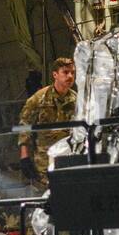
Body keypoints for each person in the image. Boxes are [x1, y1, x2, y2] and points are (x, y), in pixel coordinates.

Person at [16, 57, 76, 191]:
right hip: (43, 162)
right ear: (55, 74)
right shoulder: (39, 98)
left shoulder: (76, 100)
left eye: (72, 72)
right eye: (65, 72)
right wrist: (24, 155)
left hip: (67, 159)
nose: (70, 76)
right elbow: (25, 125)